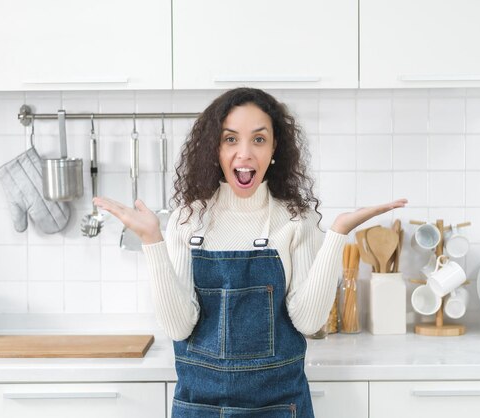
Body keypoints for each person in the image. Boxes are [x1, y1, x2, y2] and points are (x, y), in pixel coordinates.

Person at [94, 88, 407, 417]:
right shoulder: (188, 220)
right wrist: (152, 241)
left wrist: (338, 233)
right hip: (200, 407)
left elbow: (309, 321)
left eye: (258, 139)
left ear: (274, 149)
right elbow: (178, 328)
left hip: (279, 406)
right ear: (214, 148)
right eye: (231, 139)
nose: (244, 153)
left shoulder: (293, 220)